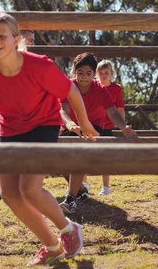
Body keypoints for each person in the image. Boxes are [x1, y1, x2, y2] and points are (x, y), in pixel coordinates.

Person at [0, 12, 100, 266]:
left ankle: (69, 229)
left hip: (43, 125)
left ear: (16, 40)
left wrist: (85, 123)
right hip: (10, 130)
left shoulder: (39, 66)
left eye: (1, 36)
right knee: (10, 195)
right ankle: (51, 246)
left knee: (29, 189)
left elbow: (70, 91)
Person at [59, 53, 137, 213]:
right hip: (71, 127)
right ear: (74, 71)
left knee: (78, 155)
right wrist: (70, 124)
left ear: (94, 74)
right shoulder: (68, 86)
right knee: (61, 164)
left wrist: (124, 127)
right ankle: (81, 192)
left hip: (93, 127)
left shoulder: (100, 89)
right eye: (80, 73)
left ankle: (71, 199)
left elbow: (113, 112)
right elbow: (62, 110)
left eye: (88, 73)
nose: (84, 77)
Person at [0, 29, 35, 200]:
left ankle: (21, 189)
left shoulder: (33, 63)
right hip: (0, 112)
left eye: (33, 40)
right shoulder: (3, 60)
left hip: (23, 114)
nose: (32, 43)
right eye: (28, 40)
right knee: (0, 152)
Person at [95, 59, 125, 196]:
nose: (103, 75)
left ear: (112, 73)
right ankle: (84, 185)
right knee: (83, 154)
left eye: (106, 72)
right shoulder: (93, 86)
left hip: (107, 126)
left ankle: (105, 187)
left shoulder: (116, 89)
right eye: (100, 73)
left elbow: (120, 109)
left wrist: (123, 126)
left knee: (104, 156)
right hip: (92, 125)